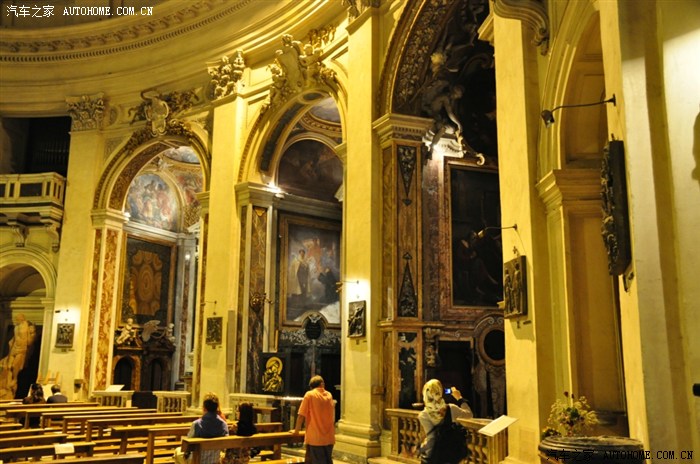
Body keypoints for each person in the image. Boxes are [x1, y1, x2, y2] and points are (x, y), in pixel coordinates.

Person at [418, 379, 473, 464]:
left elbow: (431, 438)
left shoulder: (423, 415)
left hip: (435, 456)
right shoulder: (451, 408)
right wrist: (459, 398)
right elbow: (469, 414)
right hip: (450, 454)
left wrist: (422, 449)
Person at [290, 375, 335, 464]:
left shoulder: (310, 395)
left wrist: (296, 431)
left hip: (316, 438)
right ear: (322, 384)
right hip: (329, 437)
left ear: (311, 386)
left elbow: (301, 415)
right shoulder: (329, 395)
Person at [175, 392, 229, 464]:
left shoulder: (197, 424)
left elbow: (188, 445)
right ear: (217, 407)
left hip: (197, 460)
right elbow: (225, 446)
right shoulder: (223, 424)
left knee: (177, 452)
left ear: (204, 408)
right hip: (214, 460)